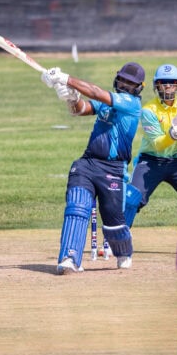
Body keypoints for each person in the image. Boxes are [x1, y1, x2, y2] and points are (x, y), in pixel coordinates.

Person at [41, 62, 145, 274]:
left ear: (138, 87)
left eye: (130, 83)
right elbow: (81, 110)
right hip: (88, 163)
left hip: (113, 168)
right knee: (76, 207)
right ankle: (70, 257)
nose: (125, 85)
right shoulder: (107, 103)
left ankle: (124, 250)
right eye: (123, 80)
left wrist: (66, 78)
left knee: (113, 225)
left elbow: (96, 93)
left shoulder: (131, 103)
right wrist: (72, 99)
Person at [125, 64, 177, 227]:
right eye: (163, 81)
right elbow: (157, 145)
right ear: (156, 85)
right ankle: (115, 239)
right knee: (131, 200)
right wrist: (172, 135)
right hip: (150, 162)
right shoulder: (148, 110)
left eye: (172, 81)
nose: (168, 85)